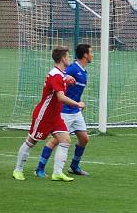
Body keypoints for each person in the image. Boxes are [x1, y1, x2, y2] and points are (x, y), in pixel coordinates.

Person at [12, 47, 85, 182]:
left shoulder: (60, 74)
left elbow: (58, 87)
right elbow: (60, 97)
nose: (69, 59)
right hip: (44, 115)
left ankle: (57, 173)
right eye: (68, 57)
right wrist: (77, 104)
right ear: (63, 58)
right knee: (31, 141)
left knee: (65, 140)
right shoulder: (56, 75)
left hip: (55, 116)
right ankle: (18, 170)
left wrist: (66, 80)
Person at [35, 43, 93, 177]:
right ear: (85, 55)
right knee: (56, 140)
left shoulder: (83, 71)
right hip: (64, 111)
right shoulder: (73, 68)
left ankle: (74, 167)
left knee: (84, 138)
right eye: (90, 52)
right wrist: (66, 78)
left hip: (75, 111)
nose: (92, 55)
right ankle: (40, 168)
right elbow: (61, 75)